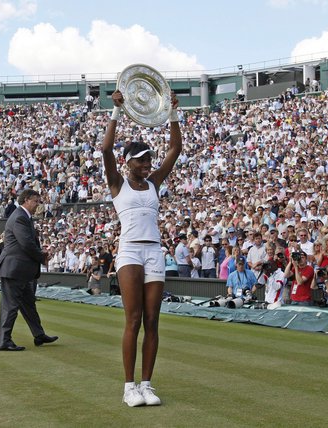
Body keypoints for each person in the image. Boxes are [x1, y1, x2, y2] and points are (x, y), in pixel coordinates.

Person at [102, 89, 181, 407]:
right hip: (130, 251)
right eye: (143, 159)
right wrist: (116, 111)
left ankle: (147, 384)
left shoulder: (154, 183)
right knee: (132, 319)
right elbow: (106, 148)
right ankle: (128, 387)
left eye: (150, 159)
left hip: (154, 251)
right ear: (128, 162)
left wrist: (174, 112)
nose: (149, 164)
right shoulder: (117, 183)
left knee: (152, 320)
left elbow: (175, 149)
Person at [0, 188, 58, 352]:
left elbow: (27, 243)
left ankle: (39, 334)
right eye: (36, 201)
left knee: (29, 305)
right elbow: (26, 244)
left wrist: (40, 255)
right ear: (26, 200)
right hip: (15, 269)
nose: (38, 204)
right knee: (10, 306)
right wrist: (42, 256)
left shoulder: (23, 217)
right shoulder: (20, 218)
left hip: (20, 270)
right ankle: (5, 341)